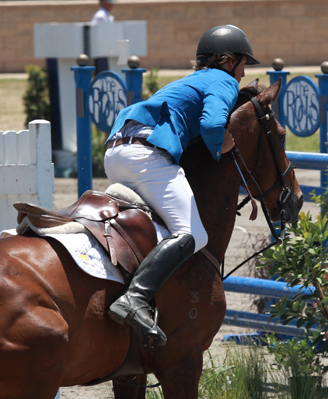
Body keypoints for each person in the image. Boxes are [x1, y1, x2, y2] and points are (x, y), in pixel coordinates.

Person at [102, 24, 259, 350]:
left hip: (115, 151)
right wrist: (223, 145)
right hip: (145, 155)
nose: (243, 74)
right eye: (243, 64)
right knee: (193, 234)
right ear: (229, 60)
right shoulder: (223, 80)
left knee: (159, 228)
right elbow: (213, 125)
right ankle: (136, 298)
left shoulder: (188, 81)